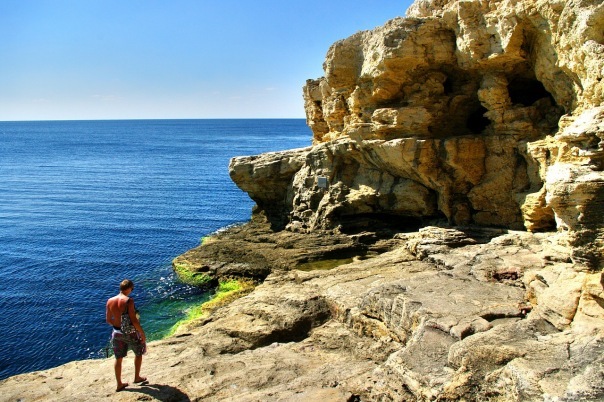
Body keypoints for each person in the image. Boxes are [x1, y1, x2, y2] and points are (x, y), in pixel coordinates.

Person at [105, 279, 147, 392]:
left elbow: (108, 320)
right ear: (128, 288)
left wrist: (119, 326)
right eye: (132, 289)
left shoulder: (110, 301)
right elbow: (133, 319)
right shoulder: (129, 301)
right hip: (130, 332)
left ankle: (119, 384)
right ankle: (137, 377)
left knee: (118, 358)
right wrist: (141, 333)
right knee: (138, 353)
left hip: (116, 332)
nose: (132, 291)